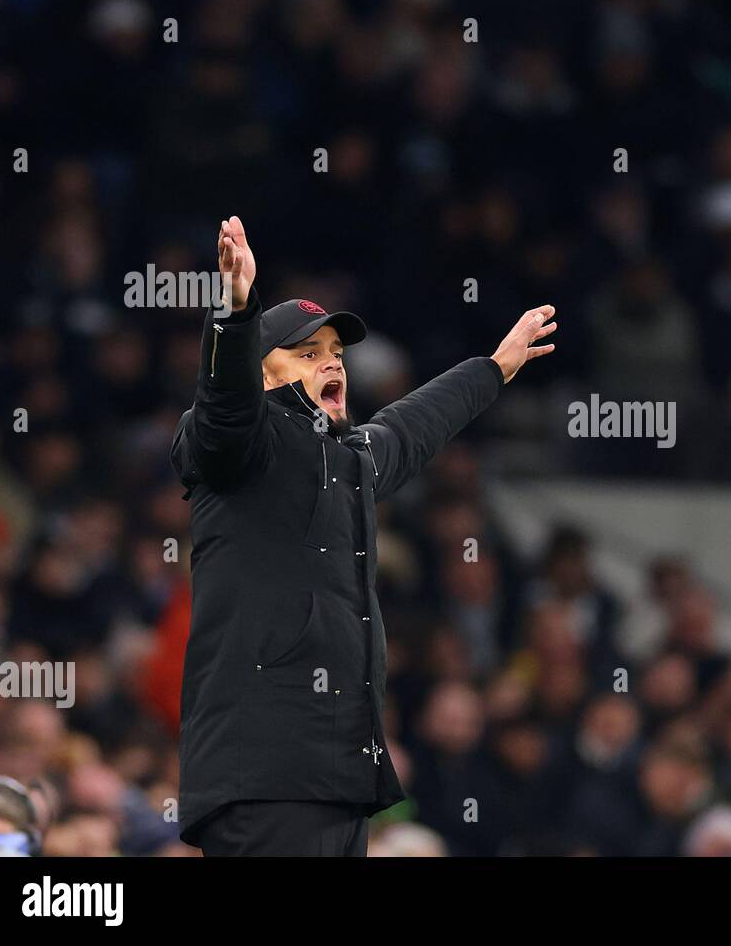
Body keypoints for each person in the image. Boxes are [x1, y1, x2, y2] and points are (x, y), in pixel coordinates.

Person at [170, 216, 557, 855]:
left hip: (334, 772)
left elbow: (408, 430)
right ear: (262, 374)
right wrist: (236, 313)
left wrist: (493, 368)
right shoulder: (238, 444)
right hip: (266, 772)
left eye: (337, 354)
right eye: (307, 353)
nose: (332, 365)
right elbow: (223, 407)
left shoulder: (345, 458)